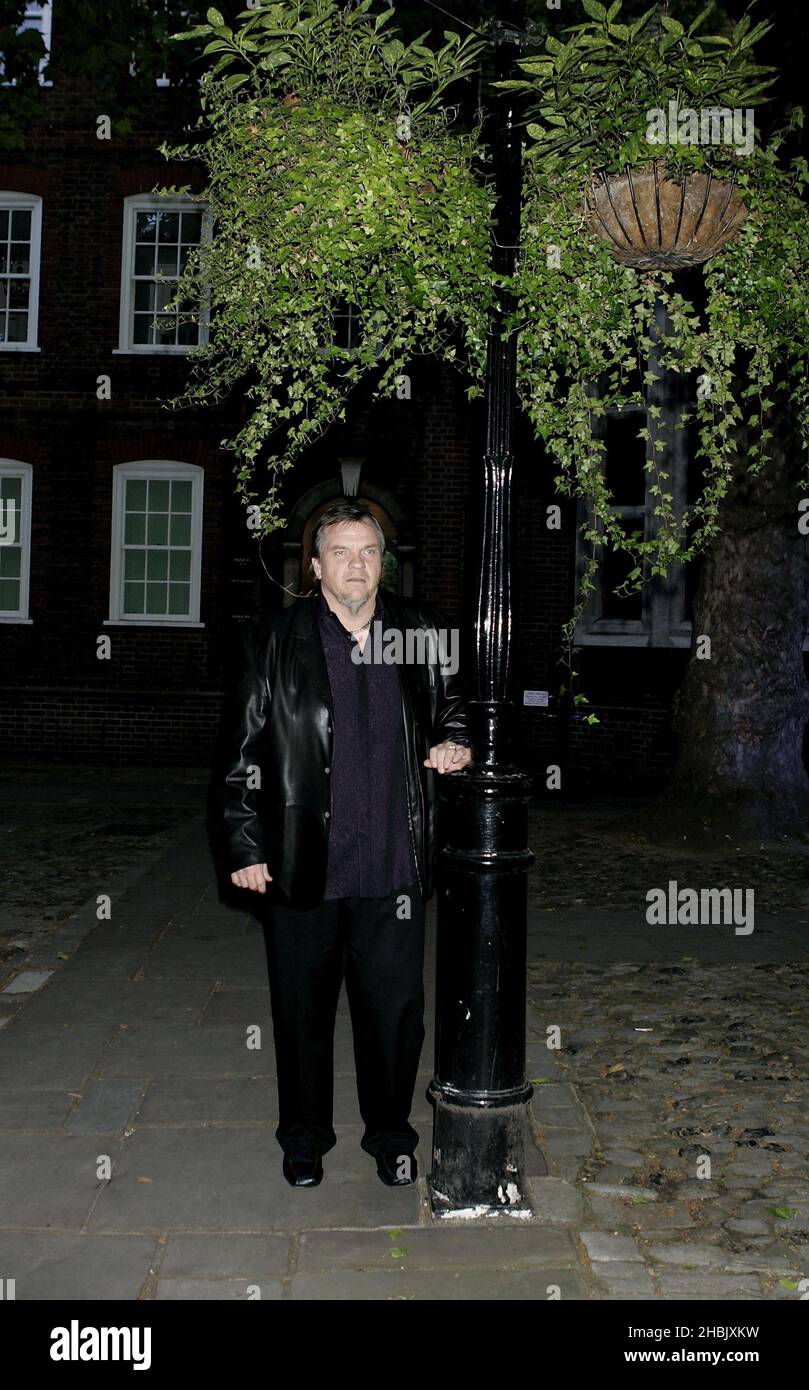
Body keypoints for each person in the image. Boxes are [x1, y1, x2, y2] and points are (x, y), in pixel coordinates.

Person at [219, 500, 473, 1188]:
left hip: (394, 864)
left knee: (393, 1019)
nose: (355, 564)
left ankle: (391, 1136)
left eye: (367, 551)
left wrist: (455, 744)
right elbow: (242, 748)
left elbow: (454, 709)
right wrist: (245, 846)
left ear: (382, 561)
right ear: (315, 565)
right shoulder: (278, 638)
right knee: (301, 1016)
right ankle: (303, 1138)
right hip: (305, 864)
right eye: (340, 552)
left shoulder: (417, 631)